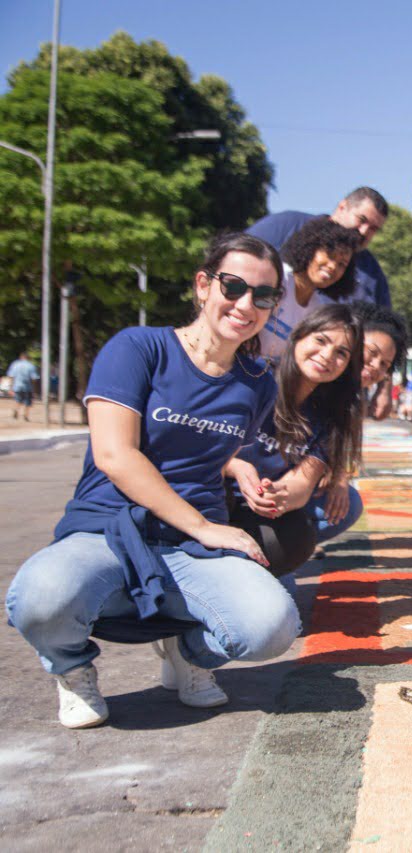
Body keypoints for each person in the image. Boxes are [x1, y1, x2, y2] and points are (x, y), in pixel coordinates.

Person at [5, 234, 297, 729]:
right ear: (203, 285)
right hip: (108, 527)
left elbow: (213, 449)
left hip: (191, 547)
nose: (246, 305)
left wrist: (240, 468)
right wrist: (204, 527)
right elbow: (116, 454)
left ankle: (189, 653)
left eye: (264, 295)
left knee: (272, 626)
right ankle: (72, 669)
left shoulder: (258, 383)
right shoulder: (138, 347)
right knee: (41, 598)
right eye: (233, 287)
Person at [226, 305, 364, 577]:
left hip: (260, 506)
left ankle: (254, 562)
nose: (327, 356)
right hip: (215, 495)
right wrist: (238, 468)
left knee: (334, 513)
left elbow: (302, 483)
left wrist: (278, 495)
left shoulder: (330, 414)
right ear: (298, 336)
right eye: (321, 340)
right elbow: (198, 449)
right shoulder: (254, 378)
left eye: (341, 353)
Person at [309, 300, 409, 555]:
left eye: (385, 364)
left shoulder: (352, 398)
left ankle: (291, 544)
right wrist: (320, 469)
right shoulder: (312, 377)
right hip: (265, 478)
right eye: (371, 352)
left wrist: (339, 476)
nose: (375, 366)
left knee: (348, 504)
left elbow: (336, 446)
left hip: (299, 483)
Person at [246, 187, 391, 309]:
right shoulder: (285, 225)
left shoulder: (373, 275)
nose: (364, 231)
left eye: (373, 228)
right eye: (361, 220)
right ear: (342, 207)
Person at [259, 219, 361, 365]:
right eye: (330, 255)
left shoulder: (317, 309)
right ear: (310, 248)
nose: (333, 266)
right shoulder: (277, 279)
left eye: (341, 264)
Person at [7, 350, 40, 421]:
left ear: (21, 357)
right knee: (27, 401)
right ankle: (25, 415)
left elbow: (11, 376)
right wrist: (34, 389)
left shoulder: (15, 364)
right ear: (28, 358)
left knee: (18, 400)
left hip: (17, 386)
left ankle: (16, 409)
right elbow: (34, 378)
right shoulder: (31, 366)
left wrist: (10, 388)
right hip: (27, 387)